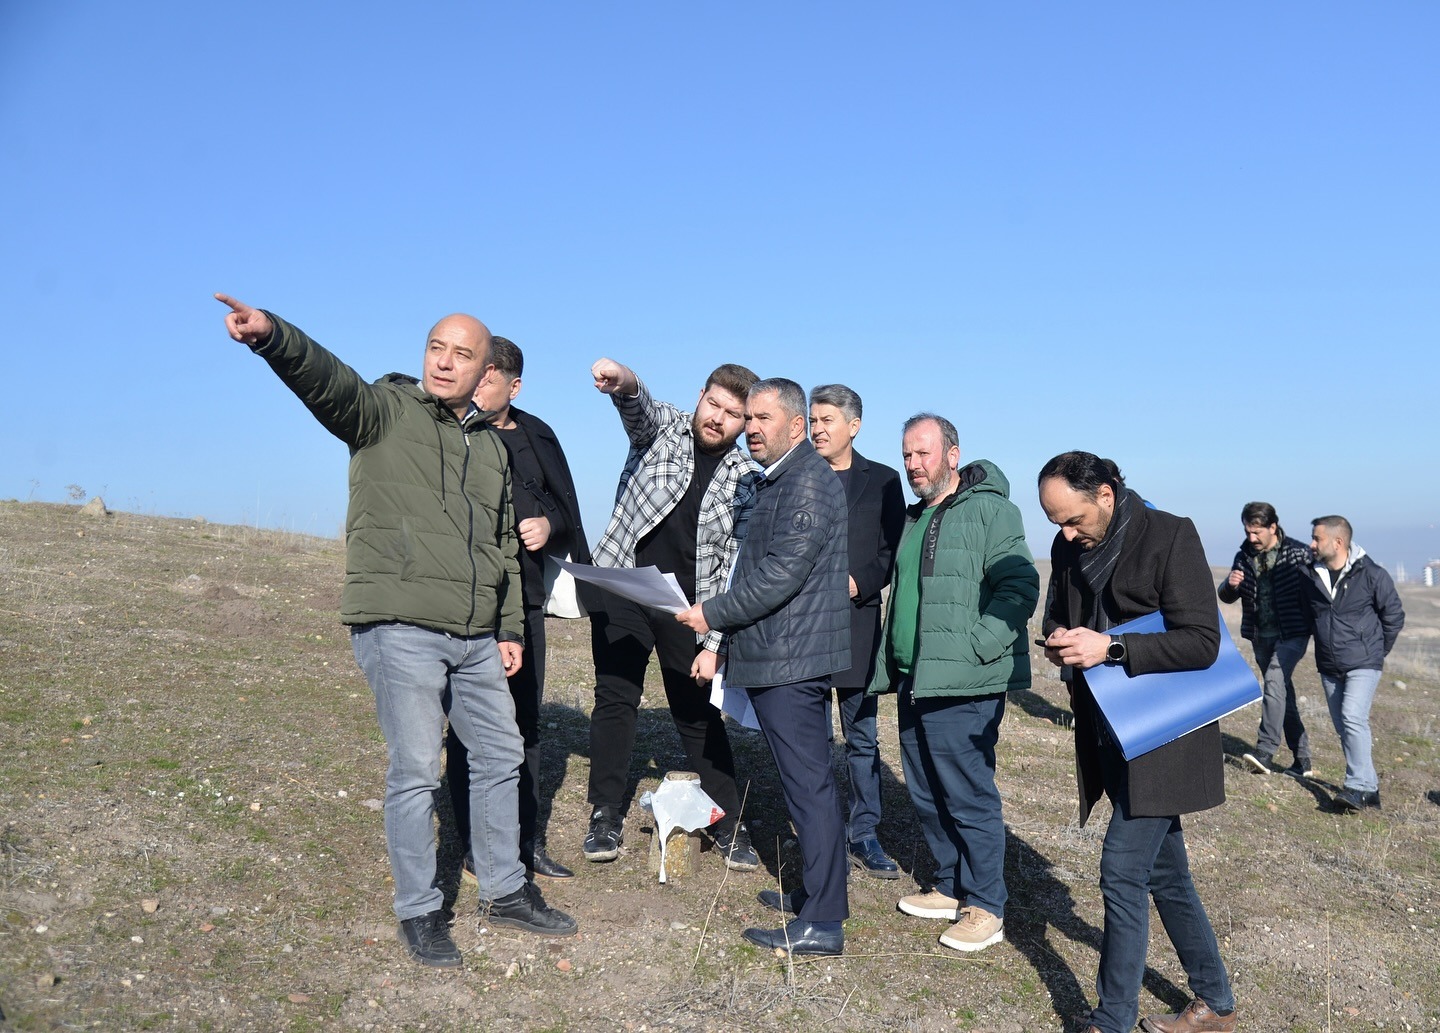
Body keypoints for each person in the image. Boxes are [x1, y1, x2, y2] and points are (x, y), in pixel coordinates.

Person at [214, 295, 575, 970]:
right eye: (437, 347)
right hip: (401, 624)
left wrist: (506, 626)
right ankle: (419, 910)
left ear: (486, 371)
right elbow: (327, 380)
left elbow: (501, 544)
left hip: (476, 635)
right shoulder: (383, 412)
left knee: (501, 754)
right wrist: (273, 337)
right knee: (415, 768)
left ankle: (503, 890)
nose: (445, 361)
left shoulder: (490, 449)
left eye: (462, 354)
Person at [1038, 452, 1237, 1033]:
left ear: (1105, 494)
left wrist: (1111, 648)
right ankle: (1216, 1004)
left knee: (1122, 870)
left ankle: (1112, 1019)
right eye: (1055, 523)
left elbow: (1201, 641)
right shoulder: (1066, 545)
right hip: (1108, 732)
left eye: (1073, 520)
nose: (1066, 534)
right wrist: (1059, 640)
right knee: (1167, 875)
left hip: (1165, 734)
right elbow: (1057, 613)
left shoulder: (1170, 535)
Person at [677, 378, 851, 956]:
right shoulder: (781, 479)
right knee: (805, 785)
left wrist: (711, 614)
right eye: (747, 418)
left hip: (792, 661)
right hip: (781, 653)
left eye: (763, 418)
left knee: (809, 788)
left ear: (797, 425)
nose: (750, 428)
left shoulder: (806, 482)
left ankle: (823, 921)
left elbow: (779, 576)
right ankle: (816, 894)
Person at [582, 357, 763, 869]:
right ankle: (605, 813)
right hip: (626, 586)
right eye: (713, 404)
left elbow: (732, 564)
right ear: (700, 397)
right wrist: (624, 381)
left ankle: (729, 823)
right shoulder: (663, 430)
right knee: (615, 697)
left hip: (689, 609)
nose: (717, 418)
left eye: (732, 414)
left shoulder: (746, 479)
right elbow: (637, 405)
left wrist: (714, 638)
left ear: (743, 422)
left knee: (697, 710)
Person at [868, 414, 1037, 953]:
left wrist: (980, 646)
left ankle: (986, 906)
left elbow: (1019, 585)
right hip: (915, 677)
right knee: (925, 791)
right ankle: (951, 885)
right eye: (907, 454)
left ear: (952, 454)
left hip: (964, 680)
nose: (913, 464)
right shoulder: (916, 515)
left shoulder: (991, 510)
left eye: (924, 453)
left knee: (967, 795)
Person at [446, 337, 591, 880]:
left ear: (514, 385)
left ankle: (526, 843)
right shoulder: (452, 432)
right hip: (465, 603)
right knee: (469, 728)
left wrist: (548, 525)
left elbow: (568, 510)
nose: (478, 383)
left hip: (524, 602)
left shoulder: (537, 435)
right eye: (476, 372)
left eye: (489, 376)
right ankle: (473, 846)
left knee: (524, 723)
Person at [808, 384, 906, 879]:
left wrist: (859, 582)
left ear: (854, 426)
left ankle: (864, 831)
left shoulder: (885, 481)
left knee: (862, 738)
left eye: (827, 420)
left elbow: (893, 551)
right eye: (813, 419)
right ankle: (820, 831)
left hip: (858, 626)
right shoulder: (796, 475)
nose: (817, 429)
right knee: (814, 740)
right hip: (804, 630)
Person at [1303, 515, 1405, 812]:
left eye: (1317, 538)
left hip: (1364, 662)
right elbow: (1308, 615)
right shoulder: (1309, 574)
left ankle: (1357, 787)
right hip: (1329, 664)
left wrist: (1375, 653)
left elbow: (1394, 616)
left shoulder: (1372, 574)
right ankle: (1370, 789)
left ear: (1338, 542)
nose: (1312, 544)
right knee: (1344, 726)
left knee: (1352, 718)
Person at [1217, 502, 1315, 777]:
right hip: (1260, 636)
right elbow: (1225, 596)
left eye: (1257, 532)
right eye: (1248, 531)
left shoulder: (1299, 553)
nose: (1251, 538)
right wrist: (1230, 585)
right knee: (1281, 693)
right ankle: (1302, 760)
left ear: (1273, 527)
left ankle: (1265, 751)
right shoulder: (1243, 555)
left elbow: (1316, 592)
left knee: (1273, 681)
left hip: (1293, 633)